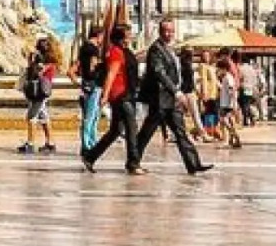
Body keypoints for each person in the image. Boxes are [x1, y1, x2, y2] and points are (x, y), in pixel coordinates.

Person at [135, 21, 211, 176]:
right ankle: (132, 161)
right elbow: (159, 73)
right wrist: (176, 92)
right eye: (166, 31)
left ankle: (193, 164)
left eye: (171, 31)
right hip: (159, 98)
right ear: (160, 32)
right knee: (146, 133)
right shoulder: (156, 49)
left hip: (171, 100)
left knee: (181, 132)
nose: (169, 34)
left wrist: (177, 92)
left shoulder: (170, 49)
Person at [81, 23, 142, 175]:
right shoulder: (116, 52)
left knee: (115, 130)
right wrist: (105, 95)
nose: (130, 37)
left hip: (124, 94)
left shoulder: (123, 51)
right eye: (128, 35)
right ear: (121, 37)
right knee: (131, 128)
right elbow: (111, 74)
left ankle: (90, 156)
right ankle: (133, 164)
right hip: (121, 95)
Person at [18, 37, 58, 155]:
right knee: (44, 117)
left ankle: (30, 144)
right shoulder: (49, 62)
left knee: (31, 116)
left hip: (40, 92)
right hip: (41, 92)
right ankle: (50, 143)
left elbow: (36, 73)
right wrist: (31, 61)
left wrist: (32, 62)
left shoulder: (45, 63)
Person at [69, 25, 105, 153]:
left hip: (86, 84)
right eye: (102, 36)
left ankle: (88, 143)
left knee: (89, 115)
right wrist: (103, 66)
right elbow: (92, 67)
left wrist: (79, 83)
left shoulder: (83, 47)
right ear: (99, 35)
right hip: (94, 84)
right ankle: (88, 145)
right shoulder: (94, 49)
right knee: (92, 116)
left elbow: (74, 68)